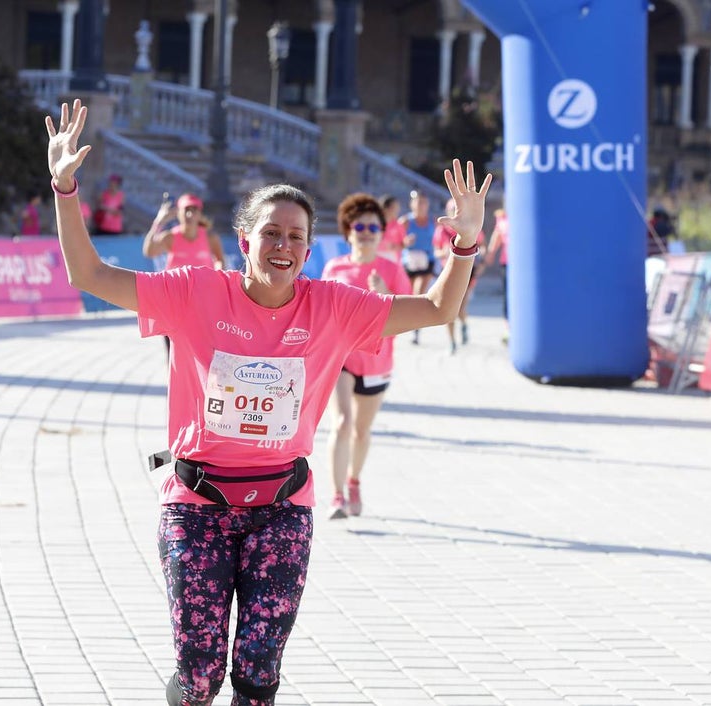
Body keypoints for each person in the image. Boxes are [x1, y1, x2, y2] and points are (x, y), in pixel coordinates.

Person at [45, 100, 490, 706]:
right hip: (196, 503)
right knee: (200, 673)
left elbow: (439, 310)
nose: (283, 246)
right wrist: (65, 188)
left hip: (282, 507)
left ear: (309, 250)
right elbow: (89, 274)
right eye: (271, 234)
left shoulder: (335, 305)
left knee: (257, 673)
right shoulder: (195, 291)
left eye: (296, 237)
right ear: (245, 239)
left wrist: (464, 243)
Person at [321, 193, 412, 520]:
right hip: (342, 358)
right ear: (348, 231)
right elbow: (323, 313)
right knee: (342, 423)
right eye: (359, 225)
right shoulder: (335, 267)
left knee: (361, 430)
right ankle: (336, 496)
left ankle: (354, 480)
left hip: (377, 361)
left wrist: (384, 293)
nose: (366, 231)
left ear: (382, 232)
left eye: (373, 226)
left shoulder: (391, 269)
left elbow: (408, 315)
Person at [434, 197, 485, 353]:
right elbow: (436, 252)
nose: (454, 214)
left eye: (457, 210)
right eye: (451, 210)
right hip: (447, 272)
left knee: (460, 308)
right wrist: (444, 252)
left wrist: (481, 260)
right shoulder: (441, 230)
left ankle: (463, 324)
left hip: (468, 272)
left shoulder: (470, 225)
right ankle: (452, 342)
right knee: (447, 309)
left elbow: (482, 246)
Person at [142, 192, 226, 270]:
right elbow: (149, 252)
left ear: (199, 214)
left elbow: (220, 261)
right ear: (178, 213)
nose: (189, 214)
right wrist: (159, 222)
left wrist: (217, 276)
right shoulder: (170, 237)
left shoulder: (210, 238)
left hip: (203, 285)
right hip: (176, 285)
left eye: (194, 210)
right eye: (186, 210)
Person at [401, 190, 438, 344]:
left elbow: (440, 238)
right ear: (411, 204)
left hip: (427, 260)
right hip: (410, 261)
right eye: (417, 202)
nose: (420, 205)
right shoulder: (405, 222)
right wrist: (405, 242)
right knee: (410, 295)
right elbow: (395, 240)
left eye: (423, 202)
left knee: (418, 293)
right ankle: (412, 327)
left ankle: (415, 331)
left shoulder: (433, 221)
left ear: (427, 204)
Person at [484, 208, 510, 341]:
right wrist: (491, 252)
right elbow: (497, 234)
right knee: (508, 296)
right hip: (507, 263)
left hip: (523, 265)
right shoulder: (501, 217)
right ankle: (508, 329)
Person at [377, 195, 407, 263]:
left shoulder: (398, 226)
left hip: (392, 261)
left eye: (397, 208)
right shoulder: (375, 224)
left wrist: (393, 247)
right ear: (385, 209)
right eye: (394, 207)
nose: (397, 210)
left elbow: (403, 244)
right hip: (376, 259)